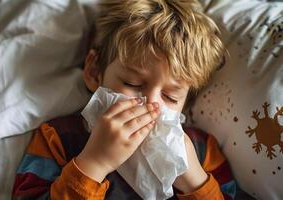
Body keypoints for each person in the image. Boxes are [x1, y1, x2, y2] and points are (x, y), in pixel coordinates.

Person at [12, 0, 236, 199]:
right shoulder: (58, 139)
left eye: (170, 96)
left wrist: (194, 181)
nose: (151, 103)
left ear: (186, 103)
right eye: (133, 84)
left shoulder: (202, 152)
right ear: (93, 71)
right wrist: (94, 163)